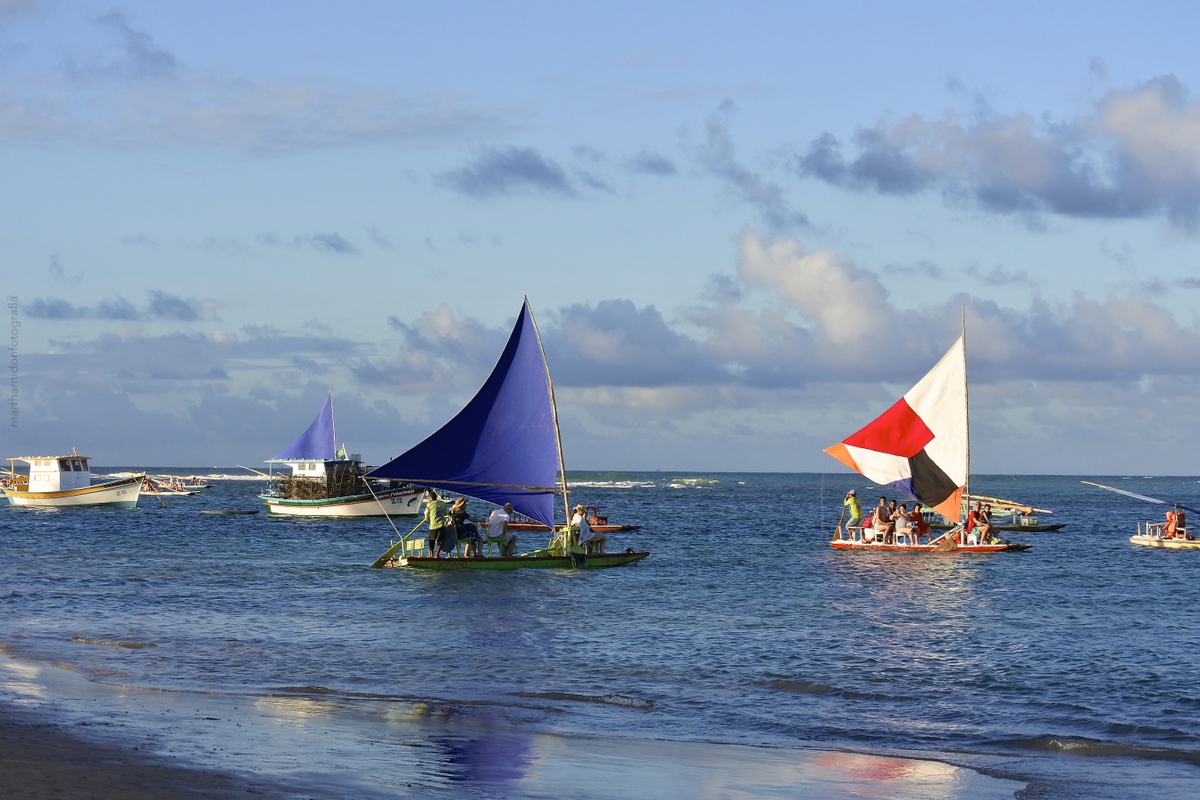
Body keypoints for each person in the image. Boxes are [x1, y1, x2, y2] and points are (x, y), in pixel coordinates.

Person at [423, 489, 450, 557]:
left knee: (431, 541)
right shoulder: (443, 504)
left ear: (431, 498)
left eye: (428, 498)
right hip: (441, 525)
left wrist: (426, 518)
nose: (428, 500)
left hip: (433, 526)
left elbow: (426, 514)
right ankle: (437, 555)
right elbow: (444, 513)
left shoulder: (429, 504)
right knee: (440, 541)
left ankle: (431, 555)